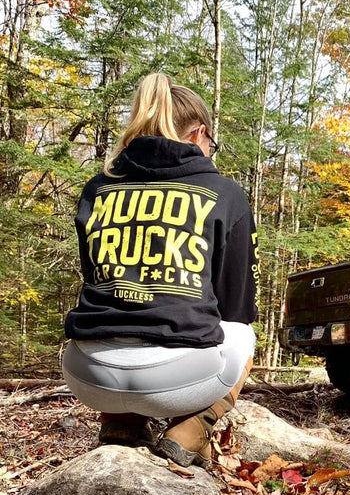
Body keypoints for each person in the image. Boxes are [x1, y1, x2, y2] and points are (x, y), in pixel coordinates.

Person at [62, 72, 258, 467]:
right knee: (244, 331)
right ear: (198, 135)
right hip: (176, 381)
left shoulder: (97, 188)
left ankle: (121, 419)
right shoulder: (225, 193)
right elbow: (236, 305)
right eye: (211, 143)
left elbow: (96, 278)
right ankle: (194, 427)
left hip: (87, 374)